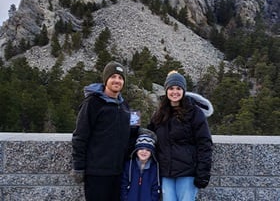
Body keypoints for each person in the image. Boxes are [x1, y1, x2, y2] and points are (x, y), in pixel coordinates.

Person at [71, 61, 134, 201]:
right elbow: (80, 136)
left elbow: (132, 132)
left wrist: (147, 134)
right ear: (106, 79)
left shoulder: (124, 105)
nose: (117, 80)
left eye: (120, 77)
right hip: (96, 173)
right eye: (113, 77)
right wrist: (78, 166)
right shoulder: (92, 103)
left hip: (118, 172)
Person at [148, 71, 213, 201]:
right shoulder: (159, 114)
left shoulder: (195, 113)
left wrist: (203, 173)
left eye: (178, 88)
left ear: (184, 90)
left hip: (187, 173)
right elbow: (150, 135)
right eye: (171, 88)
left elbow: (204, 144)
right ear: (166, 90)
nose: (175, 92)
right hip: (166, 173)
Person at [120, 128, 161, 201]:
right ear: (136, 150)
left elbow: (156, 188)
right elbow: (123, 185)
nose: (144, 152)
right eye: (141, 148)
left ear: (152, 153)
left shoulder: (155, 168)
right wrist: (125, 198)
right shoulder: (129, 165)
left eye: (148, 150)